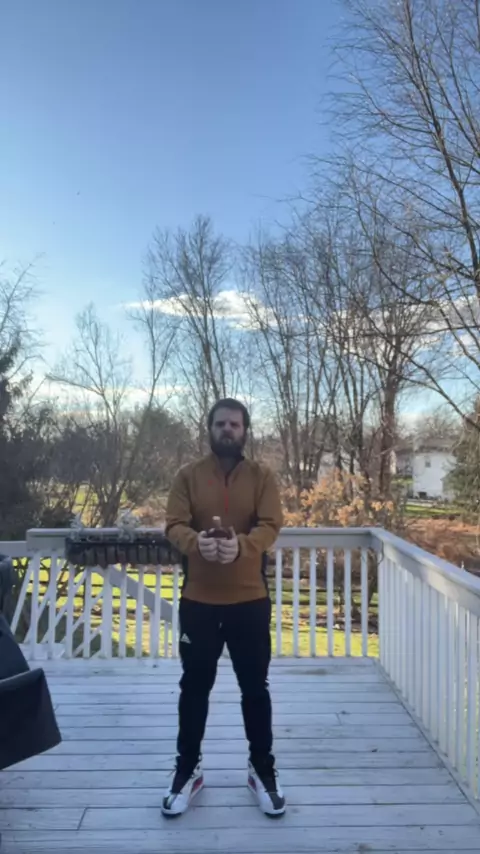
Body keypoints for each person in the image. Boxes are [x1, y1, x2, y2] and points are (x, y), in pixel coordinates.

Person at [162, 398, 285, 818]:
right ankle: (188, 770)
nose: (227, 429)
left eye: (234, 424)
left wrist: (242, 547)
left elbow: (271, 524)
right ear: (210, 429)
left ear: (245, 430)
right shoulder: (188, 476)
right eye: (220, 424)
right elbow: (173, 524)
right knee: (194, 688)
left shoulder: (262, 476)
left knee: (255, 689)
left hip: (249, 600)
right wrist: (196, 542)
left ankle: (261, 769)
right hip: (199, 602)